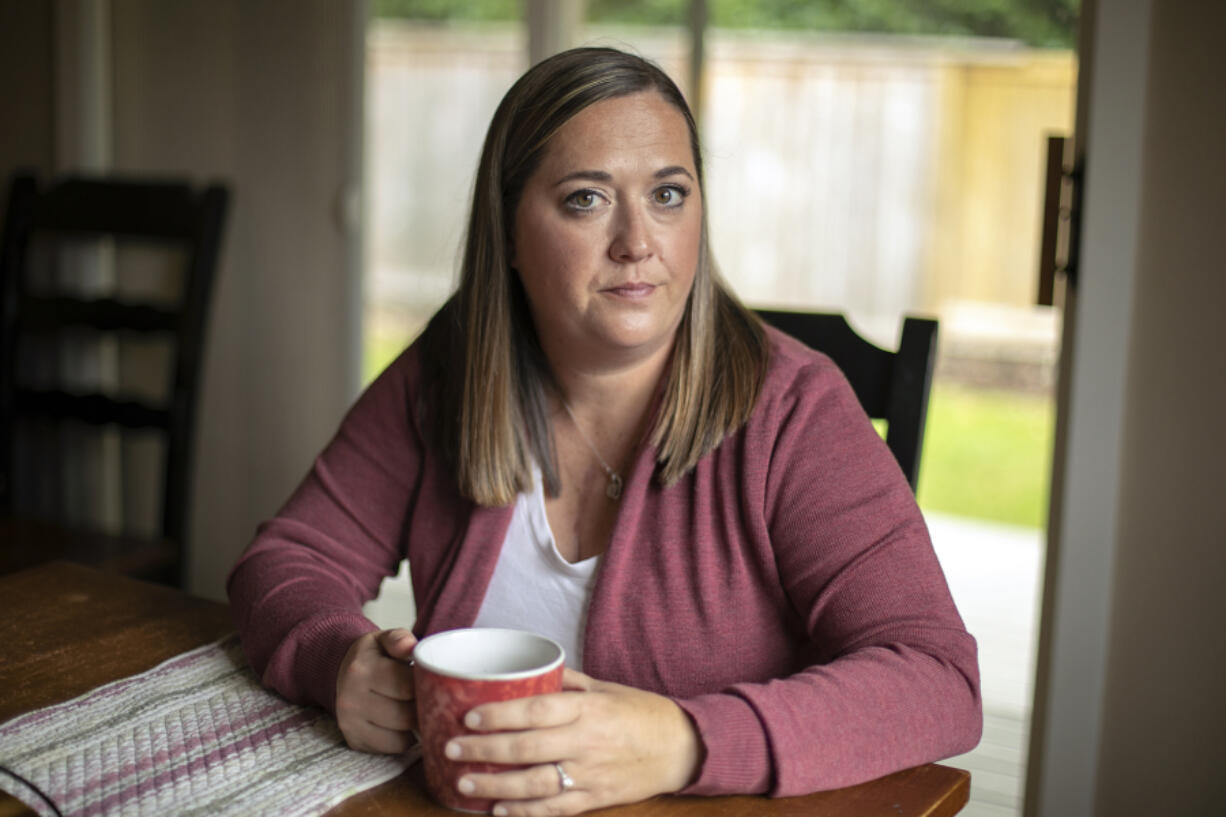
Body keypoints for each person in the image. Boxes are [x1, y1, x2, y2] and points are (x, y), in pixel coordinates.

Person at [228, 46, 981, 817]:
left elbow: (937, 679)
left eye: (668, 194)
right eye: (586, 199)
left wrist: (684, 739)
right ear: (510, 233)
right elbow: (289, 557)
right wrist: (337, 660)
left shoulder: (795, 409)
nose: (638, 242)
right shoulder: (450, 368)